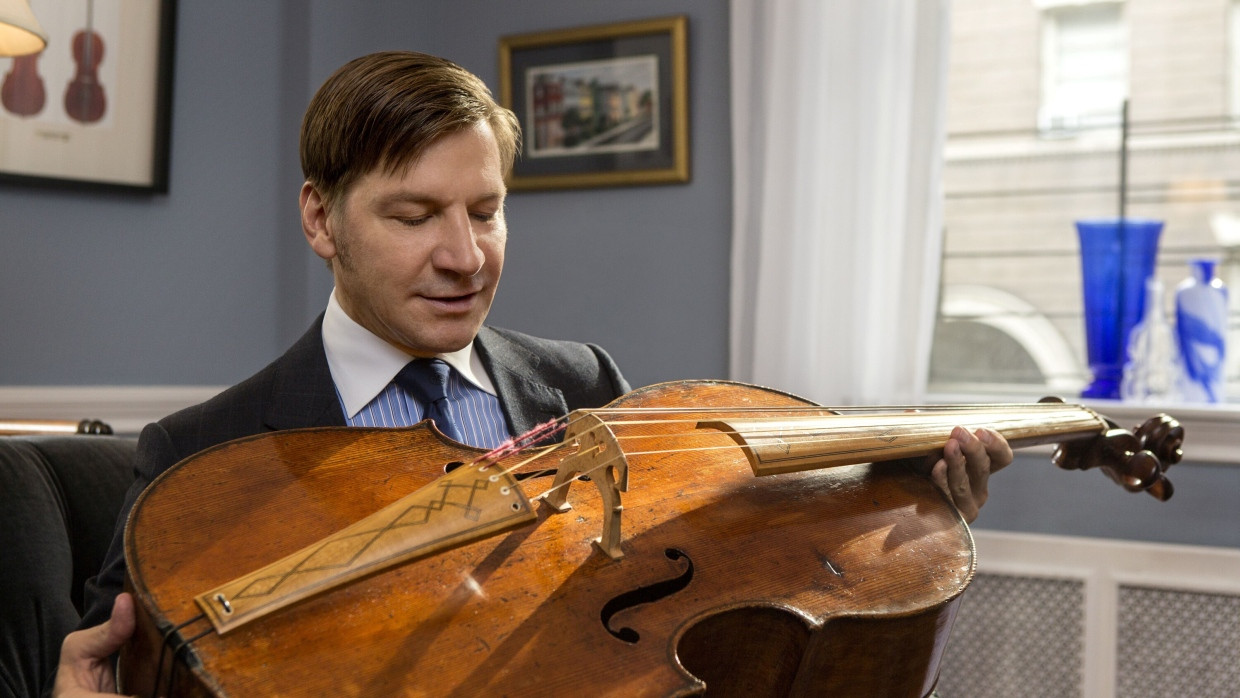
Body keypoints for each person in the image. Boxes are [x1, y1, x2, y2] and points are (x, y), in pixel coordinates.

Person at [51, 50, 1012, 696]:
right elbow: (114, 665)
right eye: (414, 215)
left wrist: (896, 504)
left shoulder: (578, 382)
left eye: (487, 210)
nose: (466, 257)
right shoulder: (206, 450)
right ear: (320, 221)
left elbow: (710, 562)